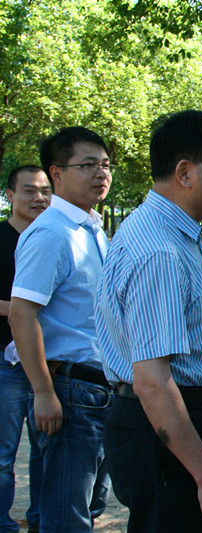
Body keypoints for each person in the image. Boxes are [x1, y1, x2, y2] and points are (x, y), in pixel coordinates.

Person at [95, 110, 202, 532]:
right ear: (185, 173)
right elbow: (153, 383)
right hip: (163, 425)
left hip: (167, 422)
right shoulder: (159, 250)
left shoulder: (169, 230)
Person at [9, 127, 113, 532]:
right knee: (65, 512)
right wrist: (42, 392)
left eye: (105, 165)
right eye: (87, 165)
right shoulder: (51, 233)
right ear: (57, 172)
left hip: (99, 387)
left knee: (90, 504)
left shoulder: (91, 228)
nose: (100, 174)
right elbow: (22, 315)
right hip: (69, 391)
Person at [1, 166, 50, 533]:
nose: (39, 198)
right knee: (3, 455)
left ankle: (39, 521)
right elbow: (24, 307)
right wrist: (23, 308)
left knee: (45, 451)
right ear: (10, 195)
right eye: (30, 191)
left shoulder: (51, 237)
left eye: (45, 191)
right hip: (5, 363)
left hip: (48, 363)